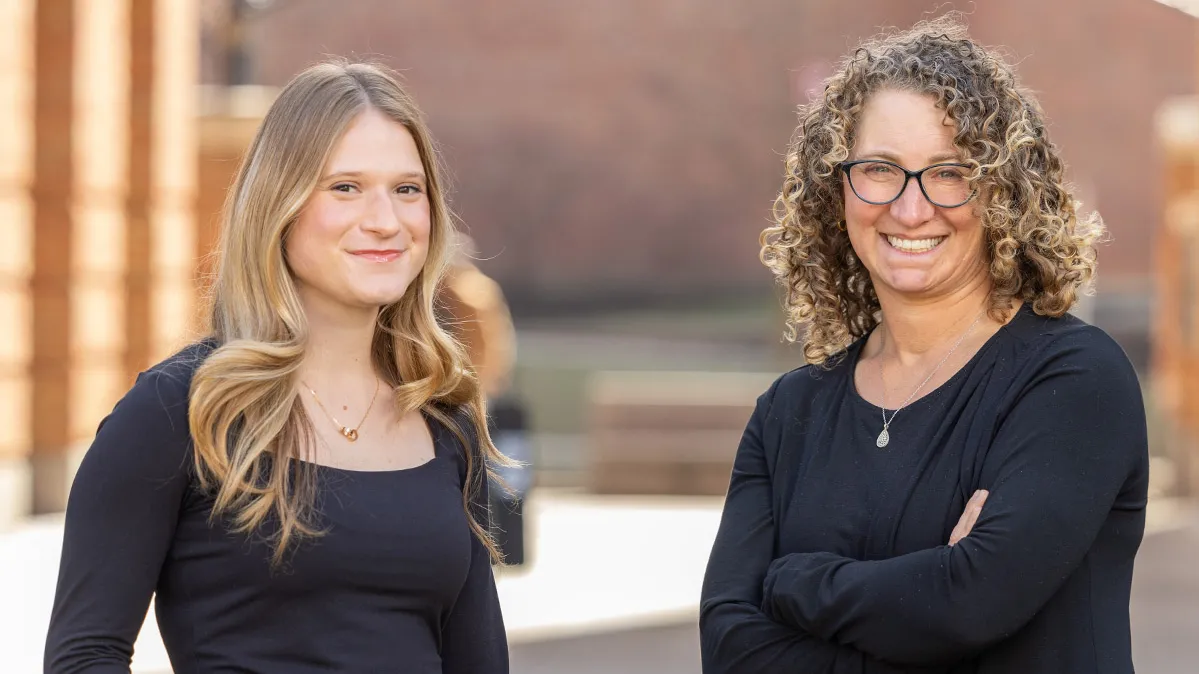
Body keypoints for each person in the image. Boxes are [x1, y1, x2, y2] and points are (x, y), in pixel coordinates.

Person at [700, 16, 1148, 674]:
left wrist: (794, 583)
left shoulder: (1071, 382)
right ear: (835, 189)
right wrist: (930, 603)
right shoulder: (787, 414)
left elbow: (970, 603)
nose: (910, 210)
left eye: (947, 173)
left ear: (1002, 191)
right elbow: (730, 649)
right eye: (879, 170)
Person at [44, 59, 510, 673]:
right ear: (278, 206)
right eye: (345, 187)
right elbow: (85, 657)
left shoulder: (446, 425)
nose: (385, 220)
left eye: (407, 189)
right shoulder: (180, 411)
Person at [438, 233, 533, 566]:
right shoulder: (481, 289)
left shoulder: (455, 292)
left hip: (466, 391)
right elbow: (501, 341)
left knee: (472, 467)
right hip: (480, 388)